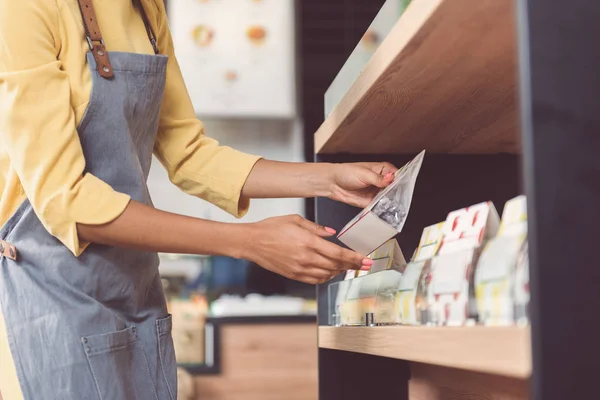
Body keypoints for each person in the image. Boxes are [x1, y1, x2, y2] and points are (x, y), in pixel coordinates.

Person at [0, 1, 397, 399]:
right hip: (51, 303)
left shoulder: (147, 10)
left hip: (133, 294)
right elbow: (67, 201)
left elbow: (188, 154)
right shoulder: (26, 8)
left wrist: (328, 179)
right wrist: (249, 241)